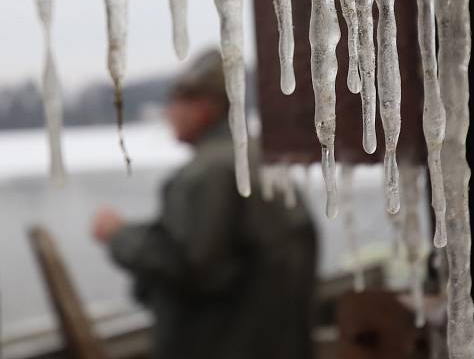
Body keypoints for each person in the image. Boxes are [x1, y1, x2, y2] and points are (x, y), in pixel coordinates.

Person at [92, 49, 318, 359]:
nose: (168, 113)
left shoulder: (210, 173)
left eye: (176, 102)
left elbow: (189, 266)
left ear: (204, 108)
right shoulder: (257, 157)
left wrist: (118, 235)